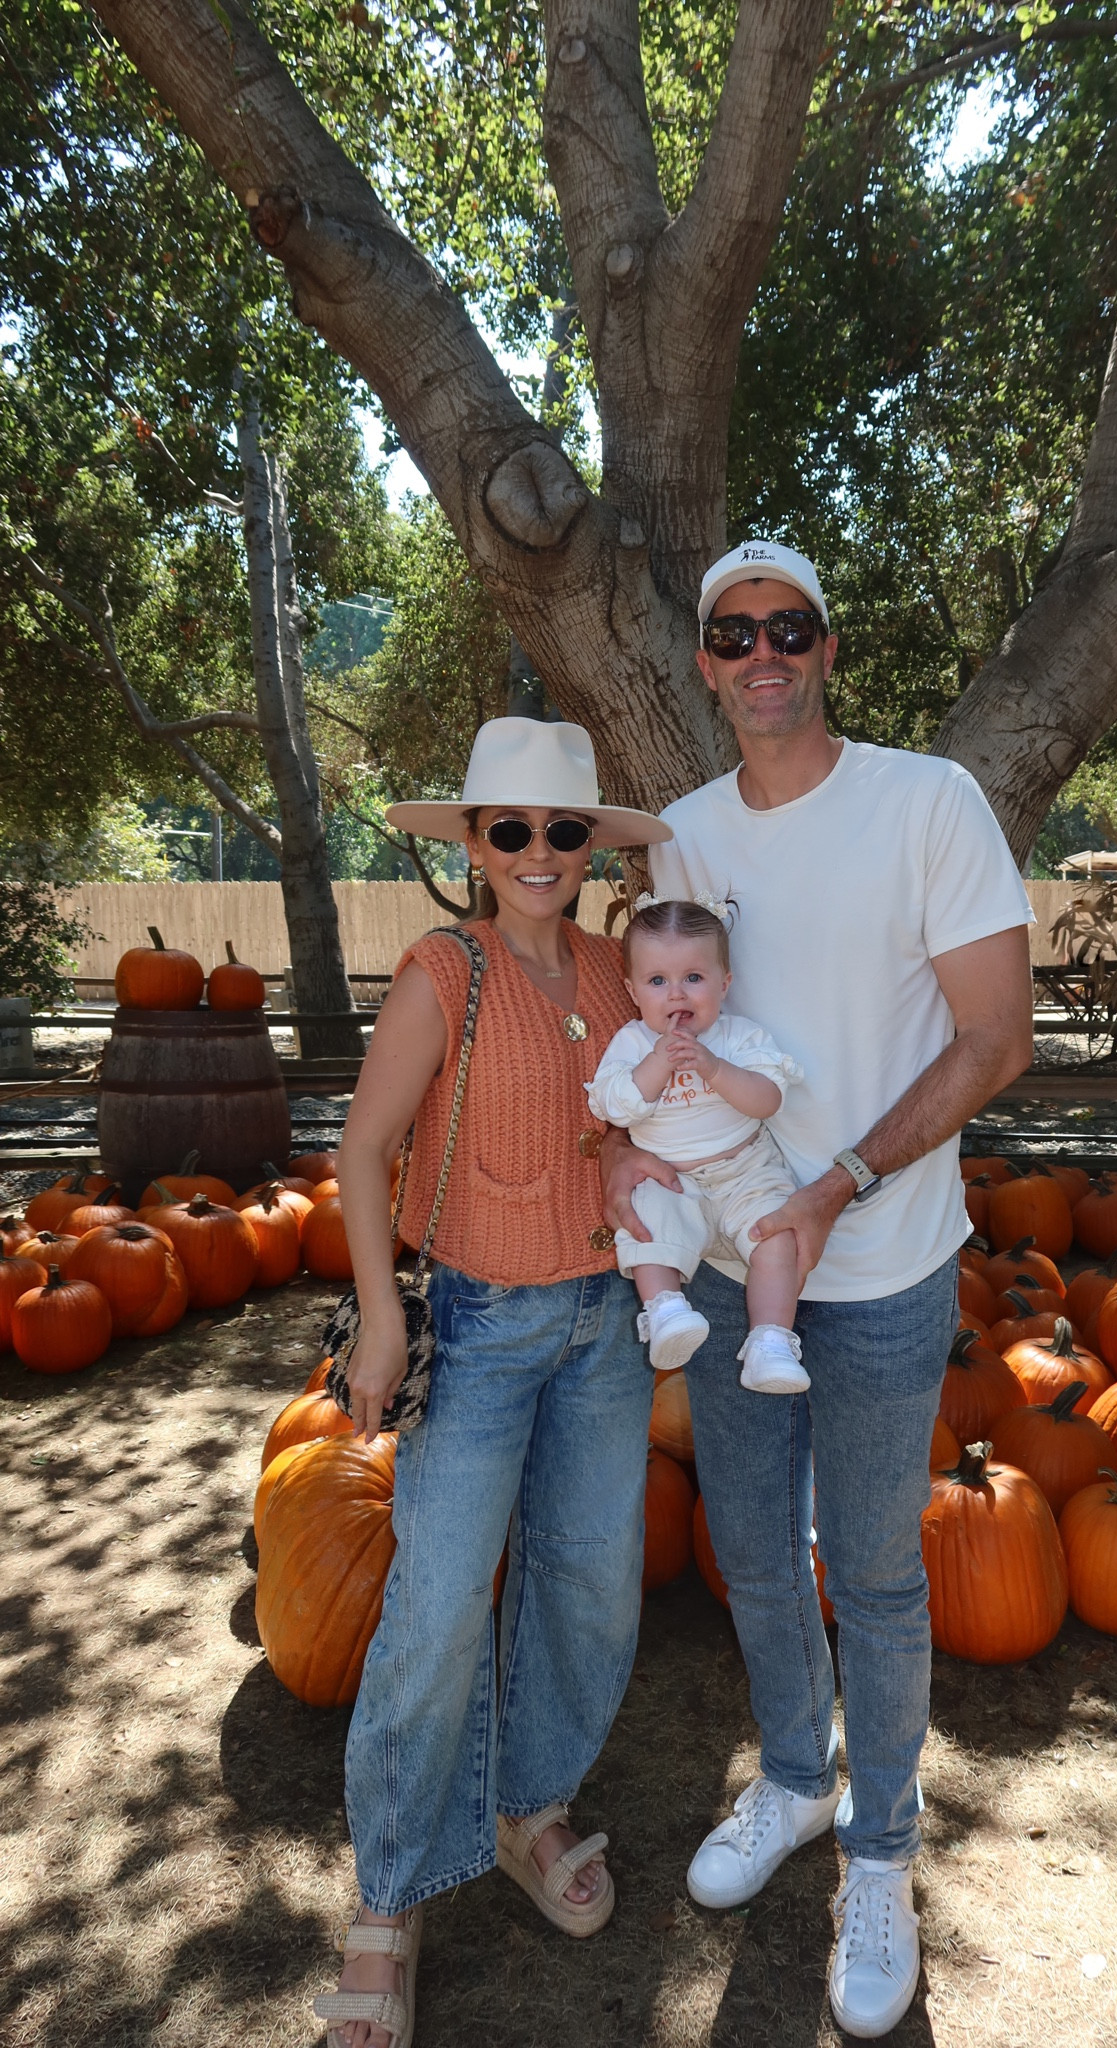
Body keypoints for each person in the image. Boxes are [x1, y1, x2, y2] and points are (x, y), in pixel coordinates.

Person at [600, 539, 1035, 2039]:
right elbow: (660, 1041)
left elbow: (993, 1039)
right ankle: (794, 1778)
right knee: (753, 1553)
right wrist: (627, 1173)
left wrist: (841, 1175)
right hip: (725, 1273)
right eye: (735, 634)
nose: (763, 653)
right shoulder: (686, 840)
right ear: (707, 664)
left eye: (789, 628)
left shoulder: (928, 803)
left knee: (881, 1566)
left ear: (827, 648)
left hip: (888, 1259)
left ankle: (880, 1852)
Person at [315, 717, 672, 2048]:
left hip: (609, 1327)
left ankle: (528, 1809)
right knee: (435, 1602)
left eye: (562, 830)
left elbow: (654, 1113)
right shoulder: (441, 971)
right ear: (469, 844)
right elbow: (363, 1152)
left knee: (587, 1581)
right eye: (508, 829)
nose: (536, 852)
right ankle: (392, 1892)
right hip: (481, 1326)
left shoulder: (614, 964)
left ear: (590, 846)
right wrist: (378, 1319)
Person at [585, 894, 807, 1392]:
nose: (677, 994)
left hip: (745, 1169)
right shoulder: (633, 1043)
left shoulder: (738, 1038)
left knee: (777, 1238)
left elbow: (766, 1099)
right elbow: (615, 1107)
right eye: (658, 981)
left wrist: (712, 1066)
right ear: (633, 990)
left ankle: (770, 1341)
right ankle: (665, 1311)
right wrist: (657, 1063)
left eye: (694, 978)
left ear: (724, 984)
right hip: (672, 1176)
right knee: (646, 1222)